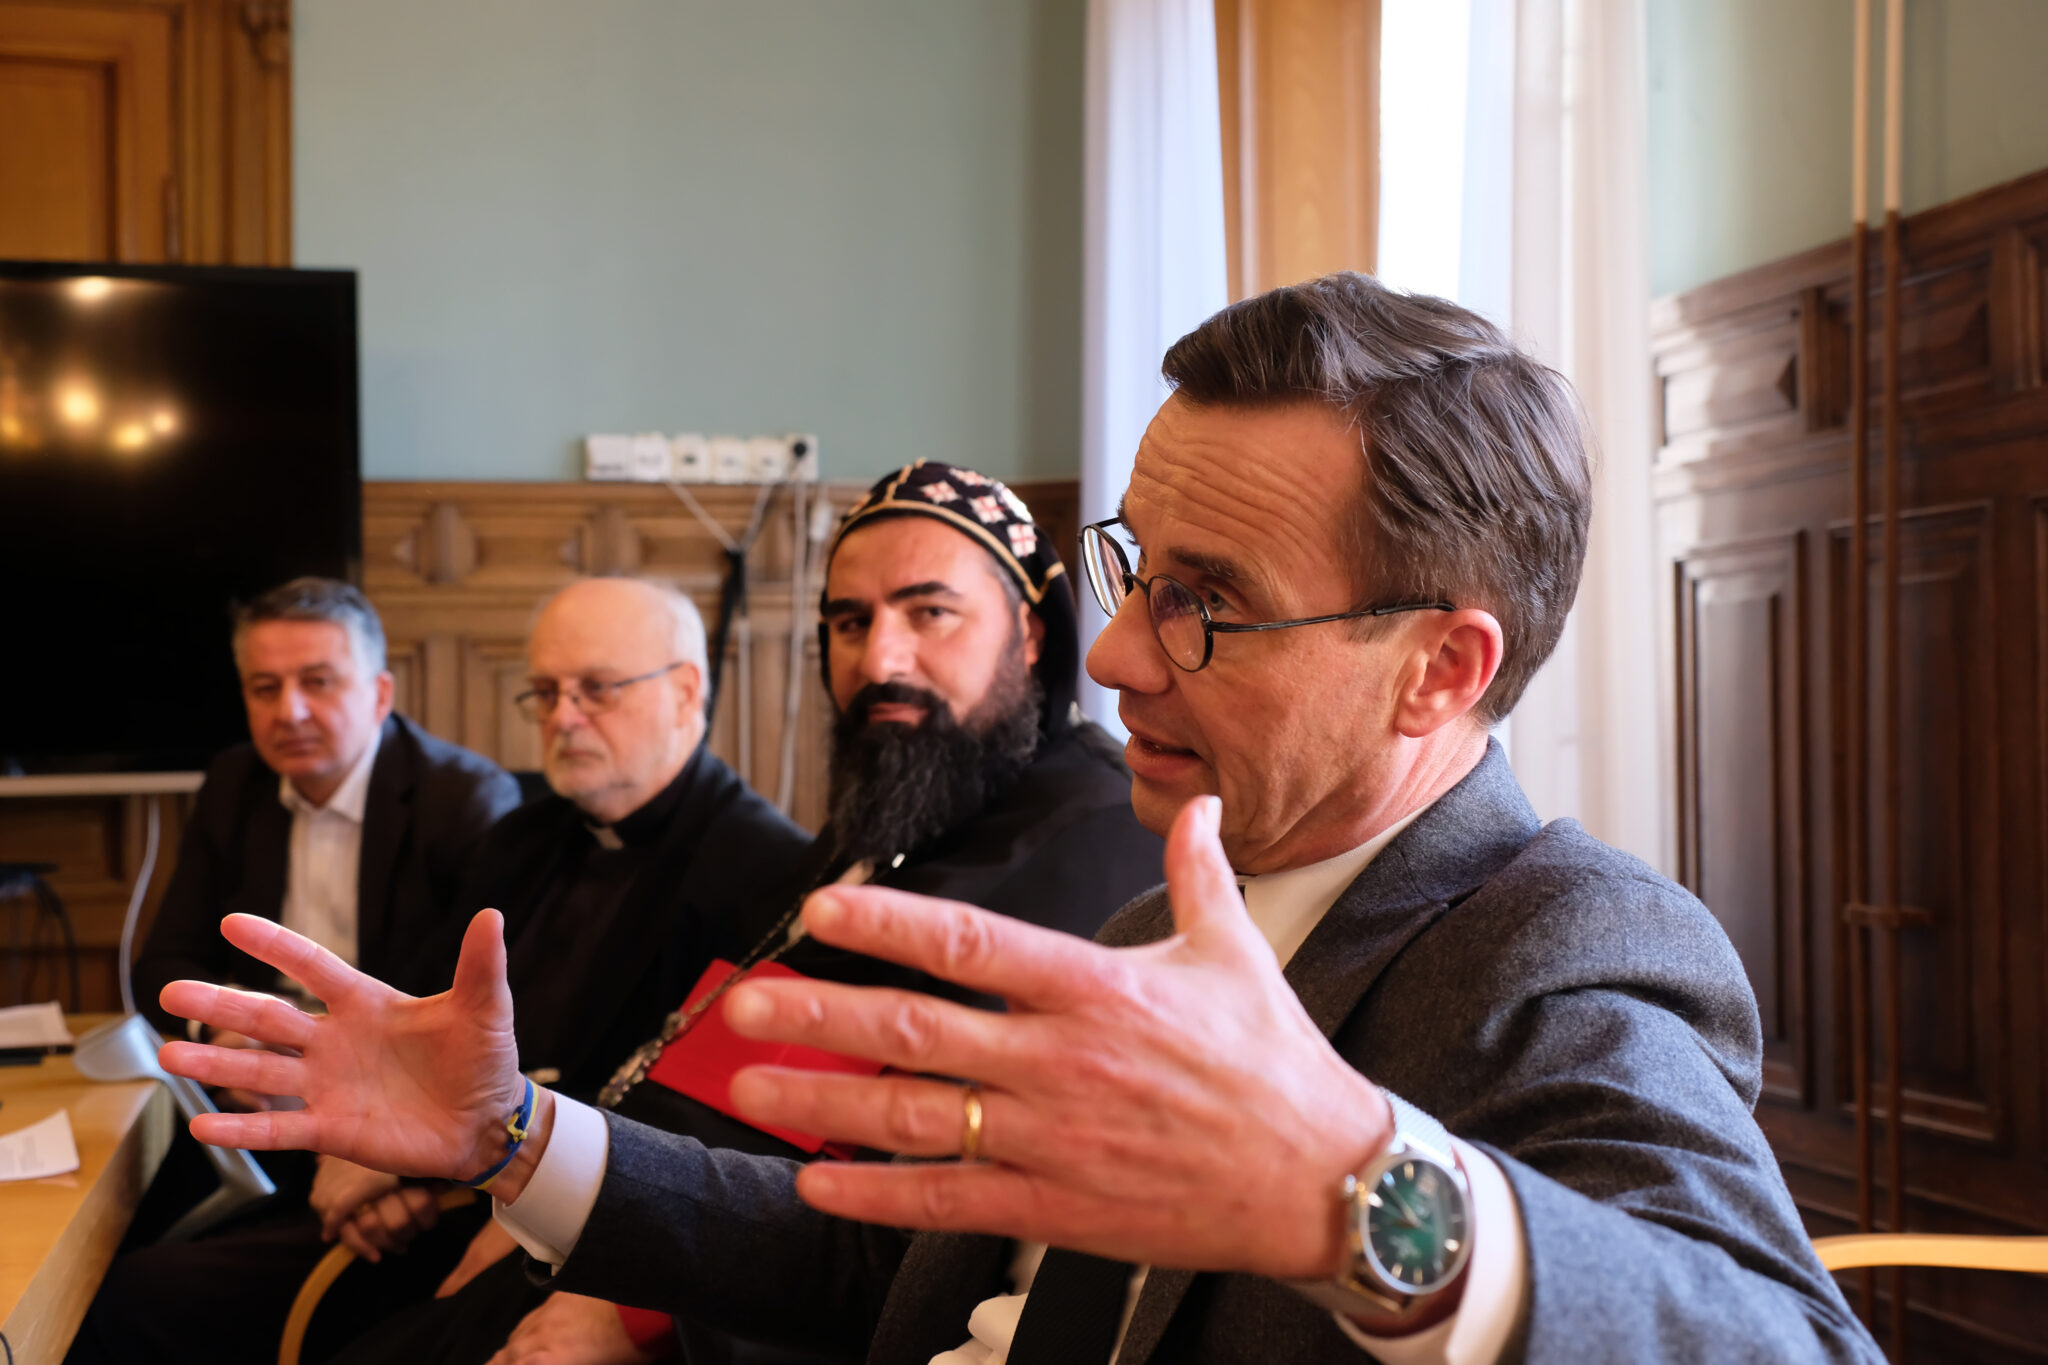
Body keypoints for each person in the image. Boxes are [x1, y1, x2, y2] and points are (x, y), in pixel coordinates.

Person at [159, 276, 1885, 1364]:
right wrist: (514, 1136)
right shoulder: (1149, 929)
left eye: (1206, 603)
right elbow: (881, 1271)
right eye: (1134, 571)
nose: (1117, 656)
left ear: (1439, 667)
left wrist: (1356, 1192)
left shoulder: (1560, 947)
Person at [329, 463, 1164, 1365]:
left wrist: (644, 1315)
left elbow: (933, 1233)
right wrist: (547, 1182)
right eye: (851, 622)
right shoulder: (897, 814)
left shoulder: (1098, 841)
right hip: (626, 1233)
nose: (879, 660)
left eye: (930, 612)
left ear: (1031, 634)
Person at [76, 577, 808, 1365]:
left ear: (686, 689)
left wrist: (433, 1182)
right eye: (546, 692)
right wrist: (377, 1159)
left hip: (574, 1234)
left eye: (596, 689)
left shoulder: (764, 871)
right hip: (431, 1178)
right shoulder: (528, 836)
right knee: (131, 1292)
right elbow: (416, 1017)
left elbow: (699, 1135)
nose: (563, 717)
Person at [134, 577, 519, 1067]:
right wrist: (227, 1028)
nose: (289, 712)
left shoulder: (464, 799)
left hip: (399, 1072)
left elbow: (471, 995)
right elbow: (164, 964)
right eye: (265, 688)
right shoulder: (233, 783)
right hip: (257, 1063)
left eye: (317, 682)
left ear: (380, 695)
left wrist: (329, 1056)